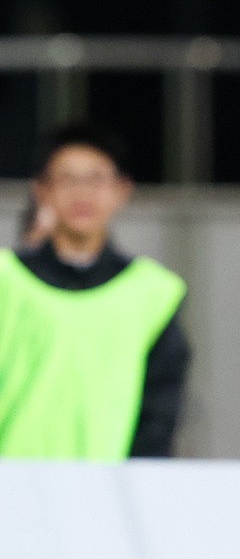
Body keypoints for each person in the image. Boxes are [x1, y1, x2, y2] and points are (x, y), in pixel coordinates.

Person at [0, 125, 190, 459]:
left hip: (112, 485)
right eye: (68, 179)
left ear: (122, 190)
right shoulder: (6, 279)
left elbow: (160, 412)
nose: (82, 193)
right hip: (13, 480)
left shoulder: (153, 293)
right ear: (41, 190)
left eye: (96, 179)